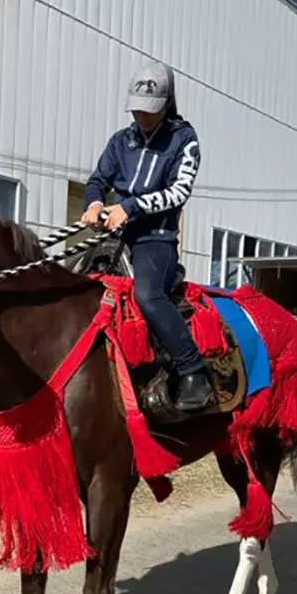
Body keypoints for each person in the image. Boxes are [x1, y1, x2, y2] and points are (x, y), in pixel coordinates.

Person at [81, 61, 214, 413]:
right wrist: (95, 204)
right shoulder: (120, 141)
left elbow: (178, 192)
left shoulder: (185, 140)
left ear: (167, 104)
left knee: (148, 294)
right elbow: (98, 180)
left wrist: (131, 207)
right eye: (137, 109)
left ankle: (193, 372)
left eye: (150, 111)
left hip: (157, 239)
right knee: (76, 286)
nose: (142, 116)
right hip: (116, 236)